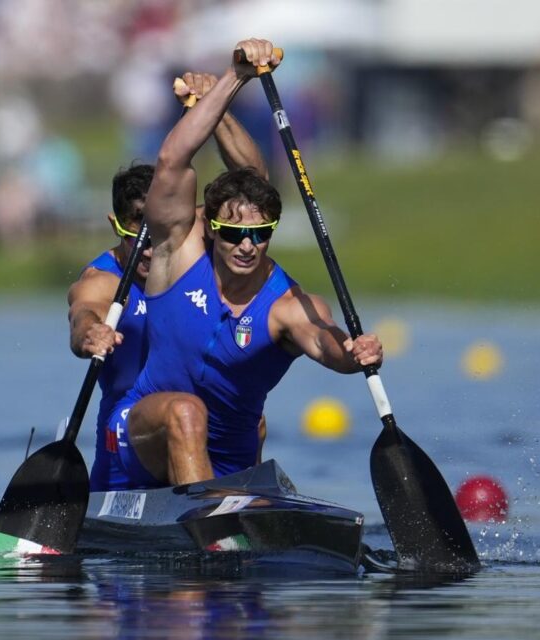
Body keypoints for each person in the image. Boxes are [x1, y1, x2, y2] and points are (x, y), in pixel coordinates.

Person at [104, 38, 383, 490]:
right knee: (186, 412)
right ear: (210, 229)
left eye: (261, 233)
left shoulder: (287, 305)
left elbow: (327, 343)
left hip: (228, 458)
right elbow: (173, 160)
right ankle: (212, 526)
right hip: (143, 436)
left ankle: (221, 512)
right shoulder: (177, 253)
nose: (247, 245)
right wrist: (234, 79)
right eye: (233, 233)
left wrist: (355, 356)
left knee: (247, 431)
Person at [68, 71, 270, 491]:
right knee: (185, 411)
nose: (147, 248)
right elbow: (83, 315)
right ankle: (216, 526)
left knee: (250, 418)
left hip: (197, 425)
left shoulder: (186, 242)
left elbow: (254, 185)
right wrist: (92, 334)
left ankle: (234, 517)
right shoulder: (100, 281)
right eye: (134, 232)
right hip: (127, 440)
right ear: (114, 225)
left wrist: (214, 105)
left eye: (153, 233)